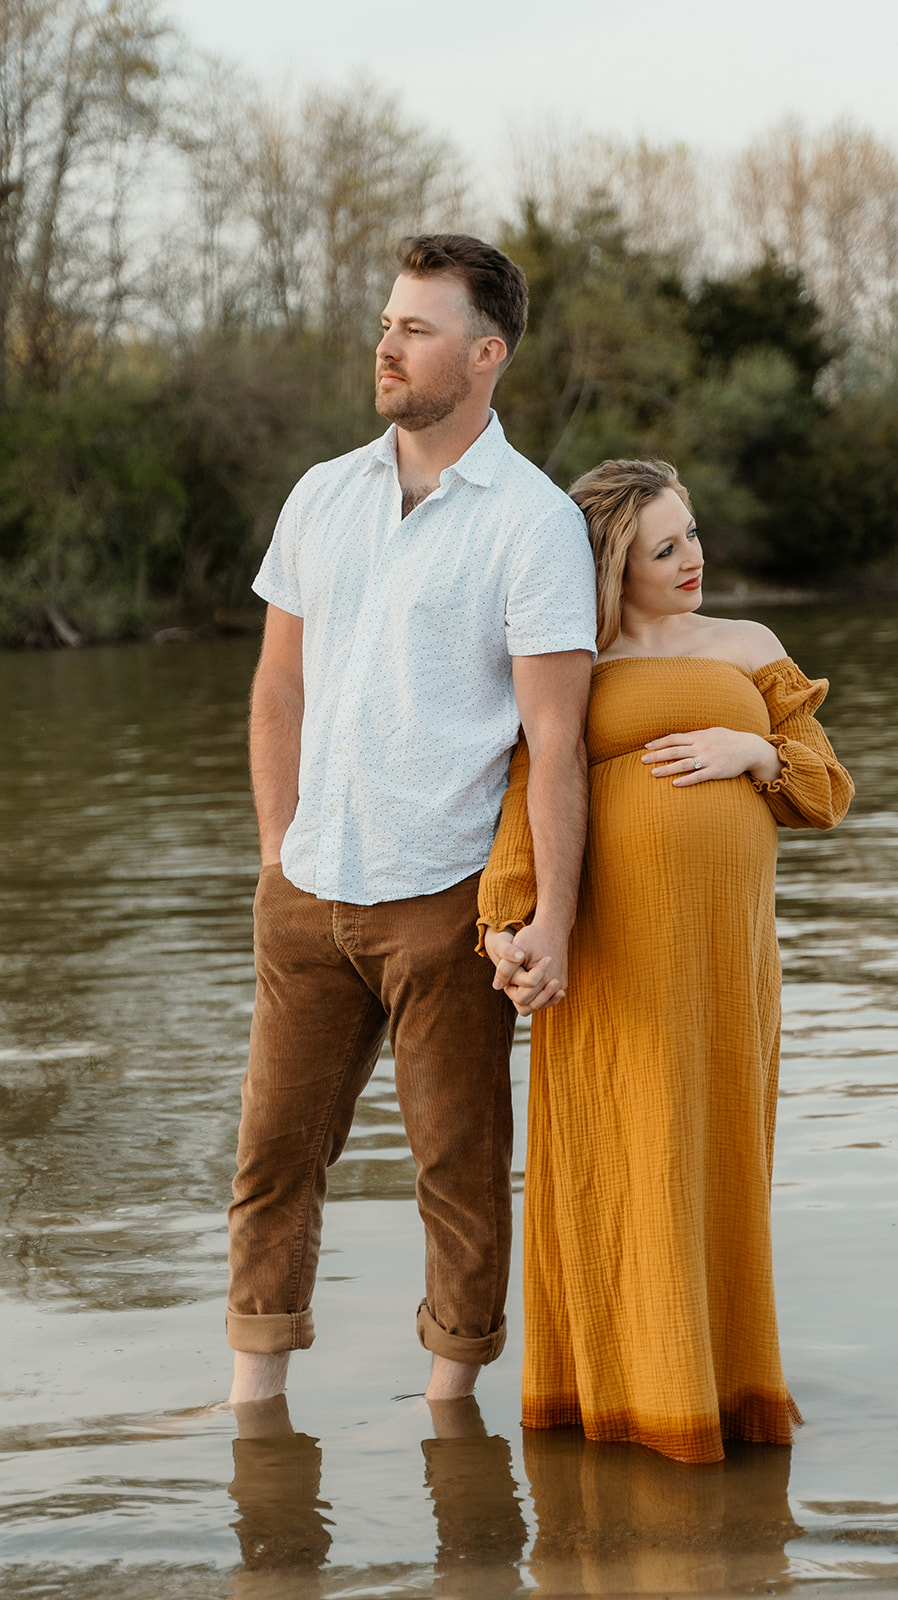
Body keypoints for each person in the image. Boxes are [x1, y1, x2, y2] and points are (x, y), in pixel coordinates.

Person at [226, 234, 597, 1408]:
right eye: (386, 322)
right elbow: (276, 687)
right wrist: (277, 851)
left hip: (445, 900)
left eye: (416, 328)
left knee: (459, 1167)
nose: (386, 344)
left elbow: (557, 742)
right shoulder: (321, 493)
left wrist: (554, 919)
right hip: (306, 891)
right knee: (272, 1160)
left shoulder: (531, 524)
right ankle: (253, 1401)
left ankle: (451, 1413)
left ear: (484, 355)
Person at [479, 458, 853, 1464]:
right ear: (612, 562)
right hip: (611, 955)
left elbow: (826, 788)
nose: (693, 559)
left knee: (714, 1154)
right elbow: (526, 789)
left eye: (691, 534)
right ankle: (620, 1394)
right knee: (623, 1150)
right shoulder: (570, 656)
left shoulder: (745, 646)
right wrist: (505, 923)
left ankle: (721, 1390)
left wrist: (755, 755)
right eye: (664, 546)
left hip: (725, 968)